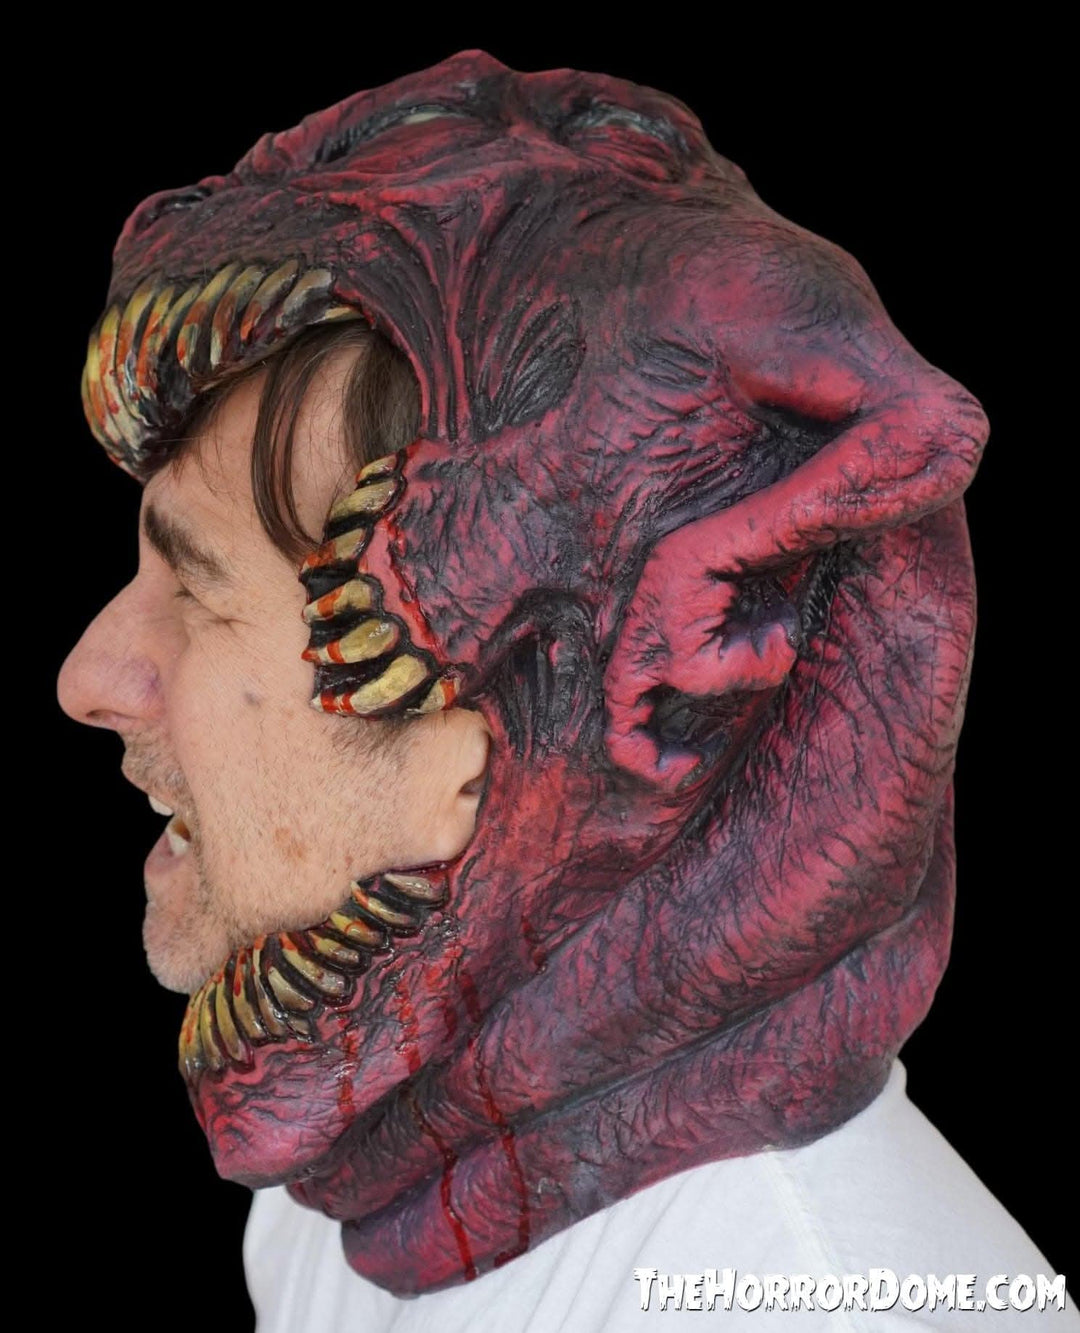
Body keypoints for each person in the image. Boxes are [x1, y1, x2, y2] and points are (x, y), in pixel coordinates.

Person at [56, 50, 1071, 1329]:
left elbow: (927, 427)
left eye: (201, 596)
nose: (86, 678)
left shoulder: (824, 1306)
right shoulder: (344, 1202)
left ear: (489, 745)